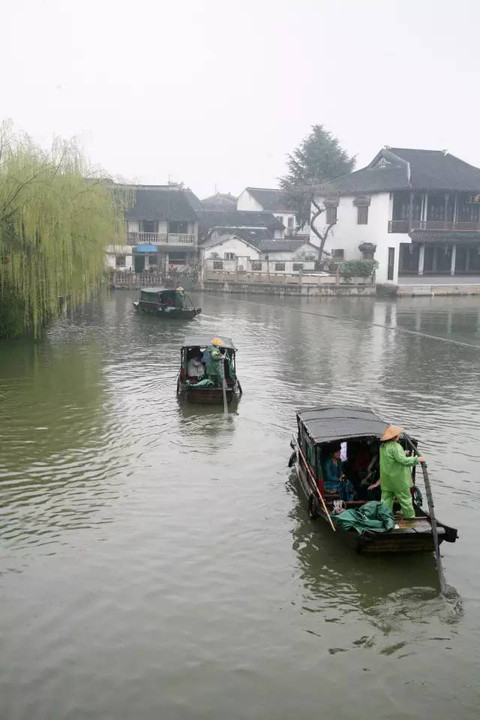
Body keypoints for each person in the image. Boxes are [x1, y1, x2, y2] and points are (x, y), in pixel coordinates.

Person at [372, 425, 425, 519]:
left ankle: (385, 518)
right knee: (405, 500)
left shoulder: (383, 446)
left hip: (387, 480)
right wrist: (417, 459)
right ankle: (410, 518)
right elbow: (404, 461)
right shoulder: (396, 446)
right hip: (398, 480)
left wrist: (402, 453)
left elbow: (391, 458)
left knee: (386, 500)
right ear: (395, 437)